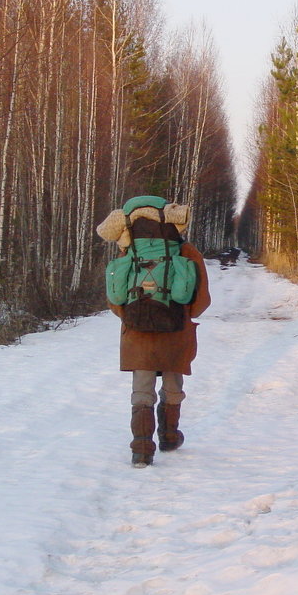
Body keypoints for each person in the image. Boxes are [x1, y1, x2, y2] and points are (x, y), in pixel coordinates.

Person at [96, 196, 211, 467]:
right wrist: (182, 314)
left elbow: (116, 300)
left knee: (141, 391)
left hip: (138, 332)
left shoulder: (129, 253)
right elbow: (201, 302)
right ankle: (169, 436)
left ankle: (141, 450)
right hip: (176, 329)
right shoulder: (186, 252)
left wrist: (133, 317)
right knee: (173, 388)